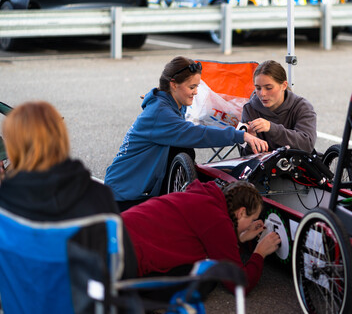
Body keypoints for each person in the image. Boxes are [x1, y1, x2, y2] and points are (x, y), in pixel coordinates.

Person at [105, 56, 268, 211]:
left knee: (183, 149)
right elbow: (197, 134)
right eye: (192, 87)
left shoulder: (170, 102)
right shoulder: (160, 112)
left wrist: (243, 128)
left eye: (197, 86)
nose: (196, 92)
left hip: (134, 187)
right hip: (124, 195)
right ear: (174, 84)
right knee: (185, 150)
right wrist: (240, 135)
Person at [0, 101, 137, 279]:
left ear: (13, 148)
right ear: (61, 139)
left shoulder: (6, 202)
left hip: (21, 303)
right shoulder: (97, 196)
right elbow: (124, 267)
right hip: (83, 302)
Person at [121, 180, 281, 294]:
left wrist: (239, 238)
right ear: (241, 212)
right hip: (123, 261)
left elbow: (203, 236)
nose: (253, 223)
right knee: (206, 280)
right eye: (252, 219)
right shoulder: (218, 222)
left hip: (112, 230)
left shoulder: (204, 196)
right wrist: (259, 253)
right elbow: (239, 284)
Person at [241, 60, 317, 154]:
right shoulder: (250, 109)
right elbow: (244, 157)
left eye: (269, 88)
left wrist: (272, 128)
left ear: (284, 85)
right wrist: (251, 141)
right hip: (264, 166)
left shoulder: (302, 107)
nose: (262, 94)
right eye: (258, 88)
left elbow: (307, 145)